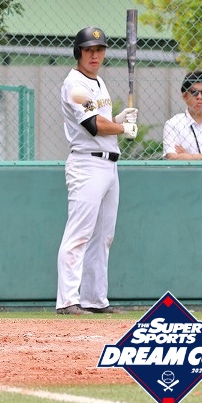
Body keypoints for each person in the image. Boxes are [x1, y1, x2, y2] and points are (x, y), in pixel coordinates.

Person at [56, 26, 138, 315]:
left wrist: (117, 119)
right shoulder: (75, 84)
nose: (94, 55)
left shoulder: (98, 81)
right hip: (87, 164)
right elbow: (93, 125)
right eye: (89, 50)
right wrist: (122, 128)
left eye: (99, 49)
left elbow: (101, 119)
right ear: (78, 52)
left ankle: (94, 299)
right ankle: (67, 300)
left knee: (103, 236)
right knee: (79, 234)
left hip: (109, 165)